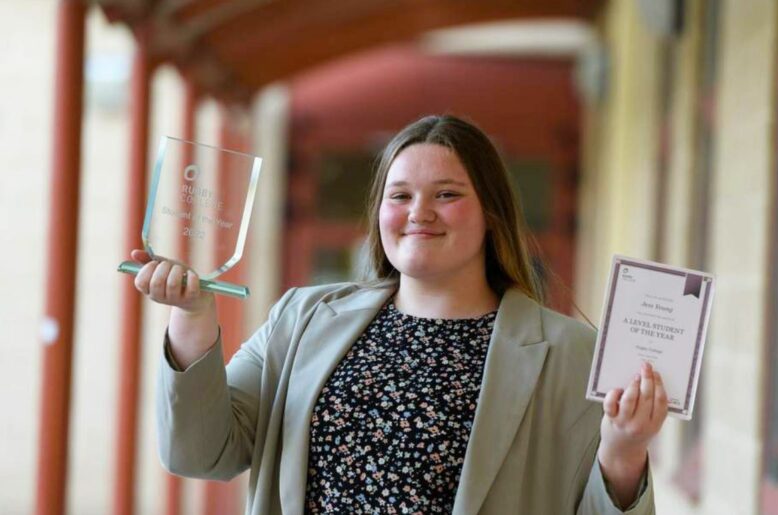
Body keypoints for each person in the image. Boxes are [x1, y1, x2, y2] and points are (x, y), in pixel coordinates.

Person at [131, 114, 666, 514]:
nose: (419, 213)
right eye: (400, 194)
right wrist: (193, 317)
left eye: (448, 194)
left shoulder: (570, 354)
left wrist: (623, 453)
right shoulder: (302, 320)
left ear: (491, 215)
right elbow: (200, 454)